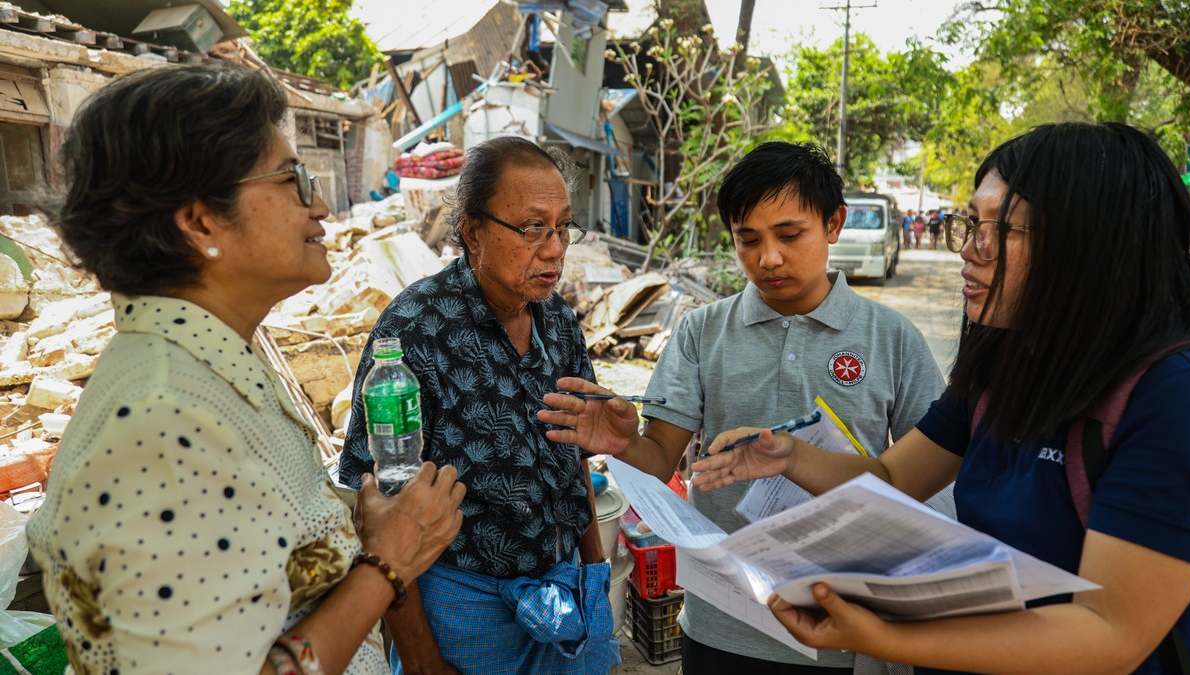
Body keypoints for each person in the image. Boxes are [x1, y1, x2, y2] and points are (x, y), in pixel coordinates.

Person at [693, 122, 1190, 675]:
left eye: (998, 229)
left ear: (1088, 244)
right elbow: (892, 479)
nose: (968, 251)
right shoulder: (999, 370)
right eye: (970, 224)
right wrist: (788, 455)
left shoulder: (1171, 397)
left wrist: (887, 637)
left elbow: (1111, 632)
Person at [26, 63, 466, 675]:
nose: (318, 203)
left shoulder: (212, 369)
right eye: (292, 179)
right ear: (200, 219)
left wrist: (354, 534)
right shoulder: (164, 422)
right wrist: (385, 565)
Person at [540, 141, 950, 675]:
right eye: (748, 240)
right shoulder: (701, 332)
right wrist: (622, 446)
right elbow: (659, 459)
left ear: (833, 224)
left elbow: (932, 481)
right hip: (722, 623)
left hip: (843, 628)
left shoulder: (891, 338)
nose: (768, 258)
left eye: (789, 235)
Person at [340, 135, 618, 675]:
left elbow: (575, 451)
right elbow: (379, 506)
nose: (556, 248)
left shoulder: (557, 321)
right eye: (533, 228)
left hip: (568, 591)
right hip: (463, 611)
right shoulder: (415, 329)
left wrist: (594, 576)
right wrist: (422, 660)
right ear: (472, 231)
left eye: (563, 227)